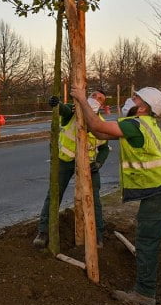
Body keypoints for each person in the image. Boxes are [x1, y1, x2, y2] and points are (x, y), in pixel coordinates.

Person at [70, 86, 161, 305]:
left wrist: (82, 99)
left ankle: (144, 292)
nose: (130, 99)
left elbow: (98, 125)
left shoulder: (135, 124)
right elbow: (100, 132)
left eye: (135, 97)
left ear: (143, 106)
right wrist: (87, 120)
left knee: (146, 241)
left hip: (157, 192)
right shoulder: (144, 125)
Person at [33, 90, 109, 249]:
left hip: (88, 165)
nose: (96, 99)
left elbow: (104, 148)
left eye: (100, 99)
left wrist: (99, 163)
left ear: (102, 105)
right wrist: (56, 103)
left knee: (94, 199)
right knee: (54, 194)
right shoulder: (73, 111)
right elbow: (64, 110)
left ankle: (97, 235)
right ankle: (44, 231)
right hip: (65, 160)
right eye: (94, 95)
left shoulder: (100, 123)